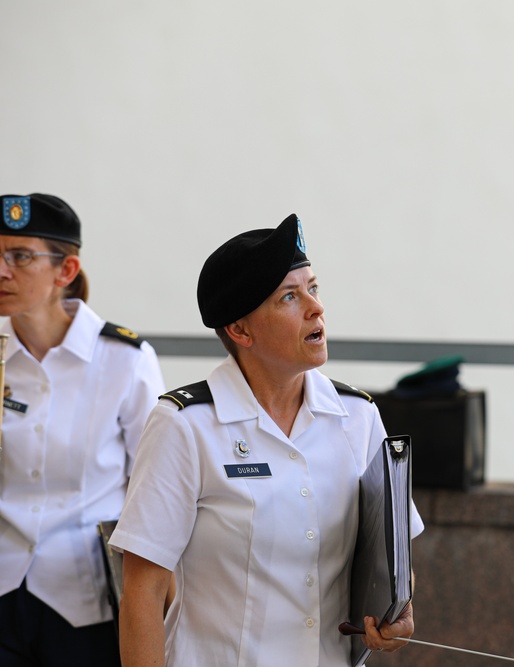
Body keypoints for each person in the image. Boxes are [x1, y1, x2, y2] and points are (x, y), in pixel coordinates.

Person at [109, 213, 424, 666]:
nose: (316, 309)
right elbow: (143, 590)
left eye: (313, 289)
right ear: (240, 331)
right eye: (290, 297)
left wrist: (401, 610)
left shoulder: (357, 416)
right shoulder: (185, 425)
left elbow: (392, 554)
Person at [0, 193, 165, 665]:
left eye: (20, 256)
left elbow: (154, 489)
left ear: (65, 271)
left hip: (86, 597)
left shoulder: (124, 359)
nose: (2, 270)